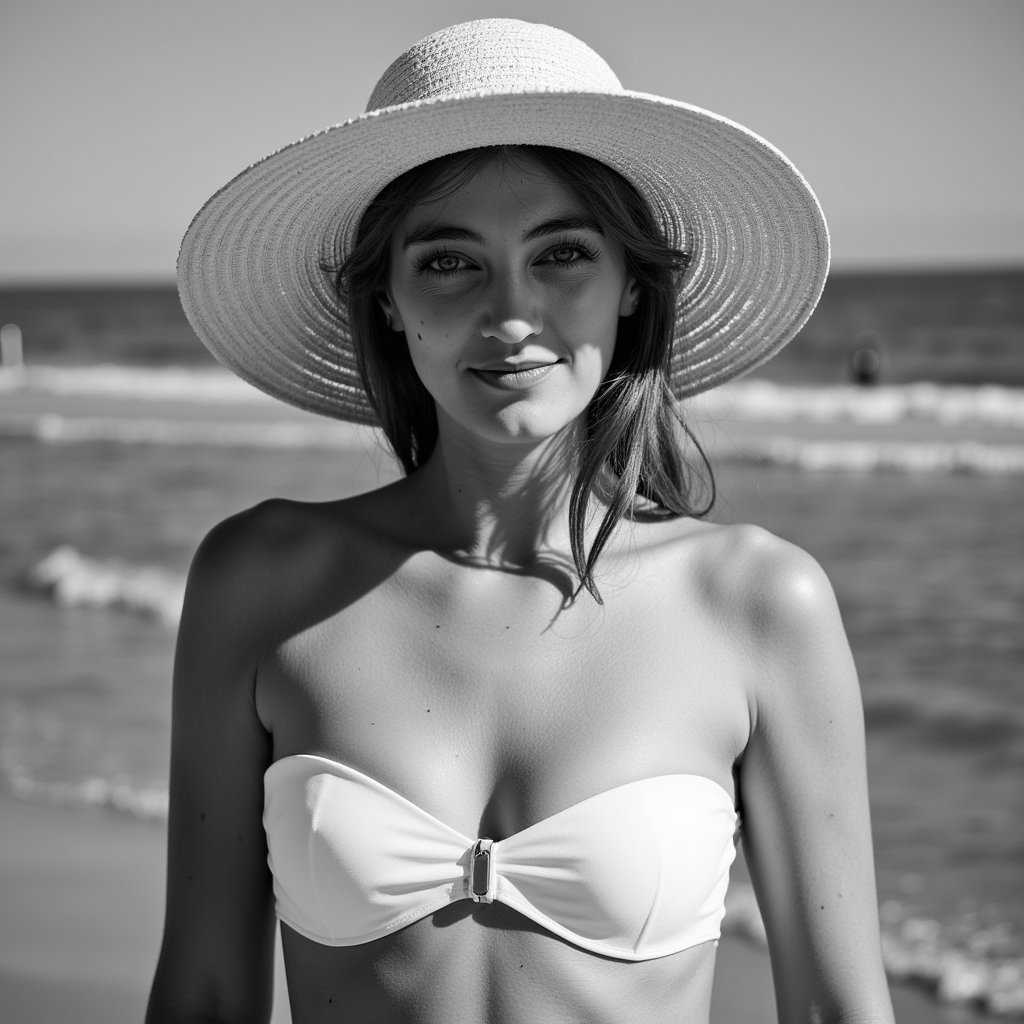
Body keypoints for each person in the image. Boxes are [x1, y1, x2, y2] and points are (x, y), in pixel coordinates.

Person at [148, 18, 894, 1024]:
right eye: (449, 262)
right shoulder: (262, 582)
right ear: (387, 299)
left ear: (632, 283)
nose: (510, 315)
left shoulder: (758, 605)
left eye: (562, 254)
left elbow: (839, 1010)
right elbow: (201, 995)